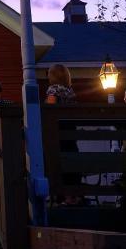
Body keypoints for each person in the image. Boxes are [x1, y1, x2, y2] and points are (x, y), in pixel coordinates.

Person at [44, 64, 80, 205]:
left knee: (57, 162)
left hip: (57, 130)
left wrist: (45, 106)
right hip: (70, 129)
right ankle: (73, 196)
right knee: (71, 160)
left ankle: (63, 197)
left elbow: (51, 105)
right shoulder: (69, 91)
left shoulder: (53, 89)